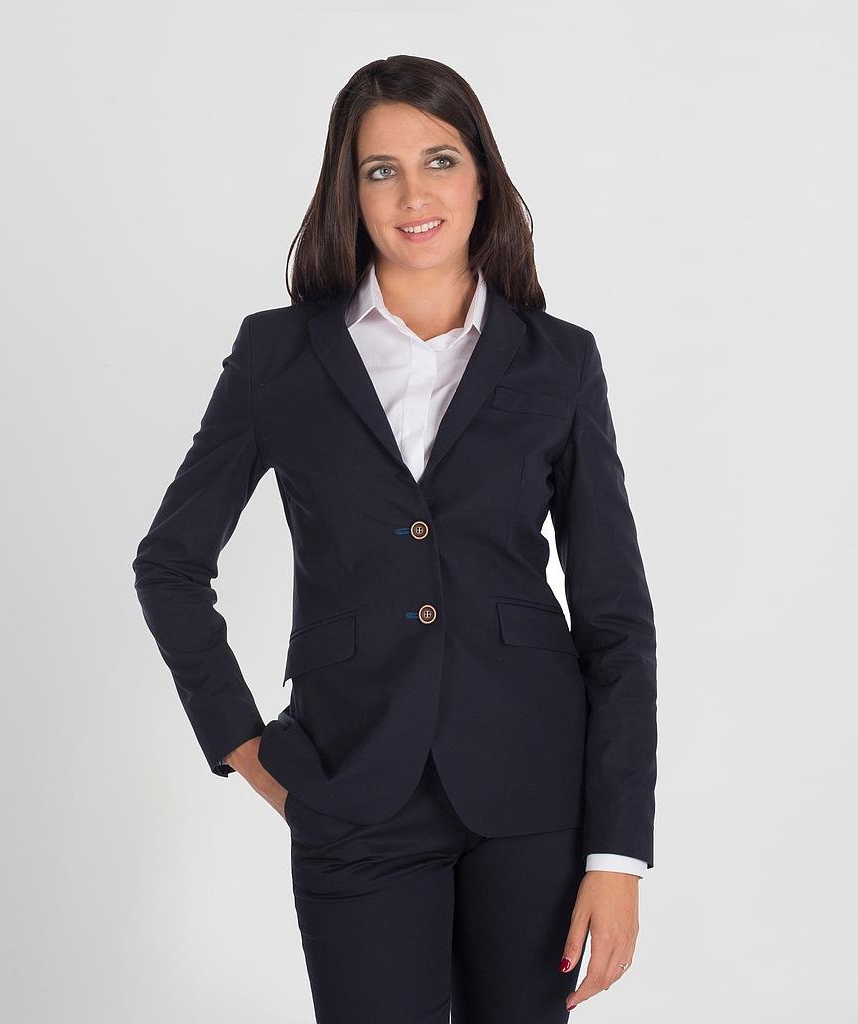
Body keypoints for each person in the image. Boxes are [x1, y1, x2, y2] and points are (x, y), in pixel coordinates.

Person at [132, 54, 657, 1023]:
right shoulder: (278, 356)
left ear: (481, 176)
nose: (415, 195)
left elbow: (616, 619)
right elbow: (169, 565)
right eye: (382, 170)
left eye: (440, 160)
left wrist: (617, 853)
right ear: (352, 191)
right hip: (350, 789)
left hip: (533, 796)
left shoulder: (559, 362)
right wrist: (246, 747)